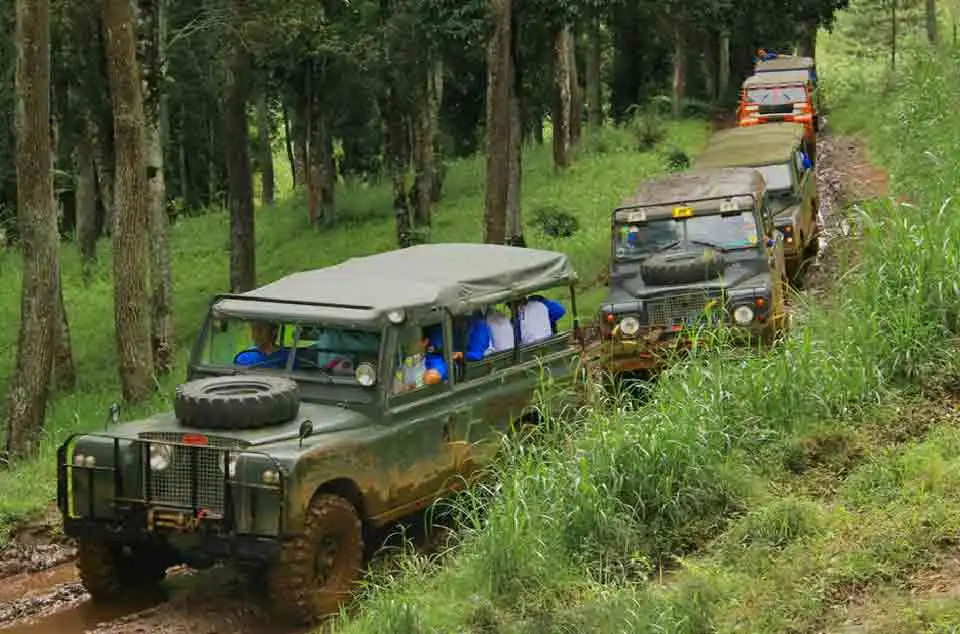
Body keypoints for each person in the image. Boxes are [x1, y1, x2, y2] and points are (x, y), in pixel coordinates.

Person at [395, 324, 449, 392]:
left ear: (425, 342)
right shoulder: (407, 362)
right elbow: (397, 381)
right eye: (406, 342)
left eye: (412, 341)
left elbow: (430, 377)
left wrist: (411, 386)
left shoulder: (433, 360)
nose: (407, 345)